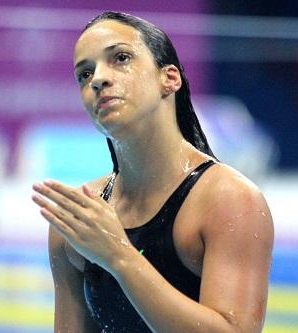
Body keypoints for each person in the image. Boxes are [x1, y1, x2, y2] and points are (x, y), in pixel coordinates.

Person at [32, 11, 273, 333]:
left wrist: (119, 256)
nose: (98, 80)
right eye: (84, 74)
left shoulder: (229, 201)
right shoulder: (80, 217)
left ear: (169, 78)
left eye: (120, 58)